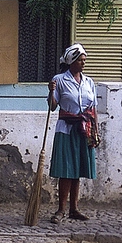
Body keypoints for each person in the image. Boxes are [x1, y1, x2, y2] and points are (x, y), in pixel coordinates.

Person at [47, 43, 98, 224]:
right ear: (71, 62)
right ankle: (61, 209)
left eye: (84, 60)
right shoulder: (59, 80)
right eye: (80, 60)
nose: (83, 63)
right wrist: (51, 92)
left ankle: (74, 208)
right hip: (66, 129)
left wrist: (95, 132)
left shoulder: (89, 82)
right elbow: (53, 107)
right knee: (66, 170)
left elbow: (93, 110)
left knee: (78, 170)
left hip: (84, 129)